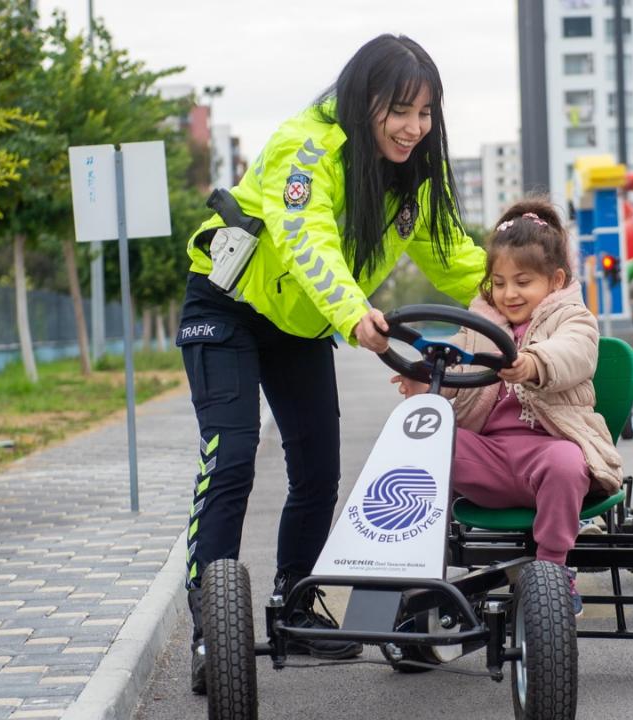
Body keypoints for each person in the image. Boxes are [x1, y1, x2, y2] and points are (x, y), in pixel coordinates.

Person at [178, 35, 487, 693]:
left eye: (426, 113)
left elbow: (458, 260)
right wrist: (352, 311)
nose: (414, 128)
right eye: (400, 110)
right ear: (363, 99)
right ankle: (211, 629)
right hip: (228, 306)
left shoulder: (412, 177)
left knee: (318, 470)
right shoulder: (306, 146)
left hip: (300, 325)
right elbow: (305, 236)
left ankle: (297, 598)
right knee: (231, 456)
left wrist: (539, 295)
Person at [391, 199, 624, 616]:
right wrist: (425, 381)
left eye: (522, 282)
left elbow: (574, 354)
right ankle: (422, 564)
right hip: (492, 457)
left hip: (549, 448)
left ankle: (553, 572)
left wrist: (535, 362)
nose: (509, 293)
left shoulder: (573, 319)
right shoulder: (479, 326)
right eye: (499, 283)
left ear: (554, 281)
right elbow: (455, 375)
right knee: (427, 448)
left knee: (566, 462)